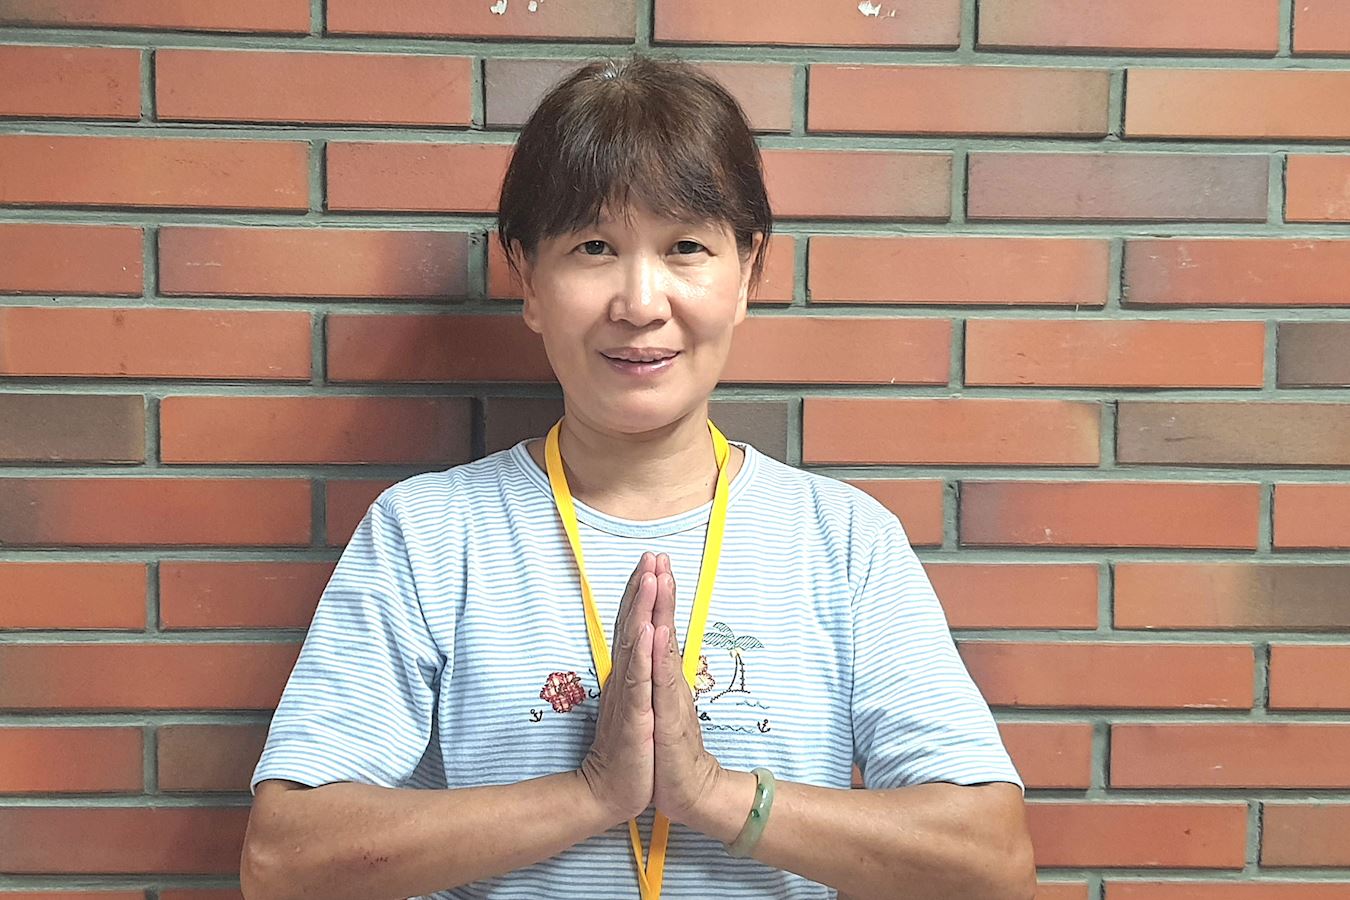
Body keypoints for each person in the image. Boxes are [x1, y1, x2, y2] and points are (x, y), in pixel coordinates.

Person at [240, 54, 1034, 900]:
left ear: (747, 274)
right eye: (594, 247)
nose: (640, 302)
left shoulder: (843, 541)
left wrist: (714, 795)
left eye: (686, 246)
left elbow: (991, 866)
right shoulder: (429, 533)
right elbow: (284, 863)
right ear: (528, 279)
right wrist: (592, 794)